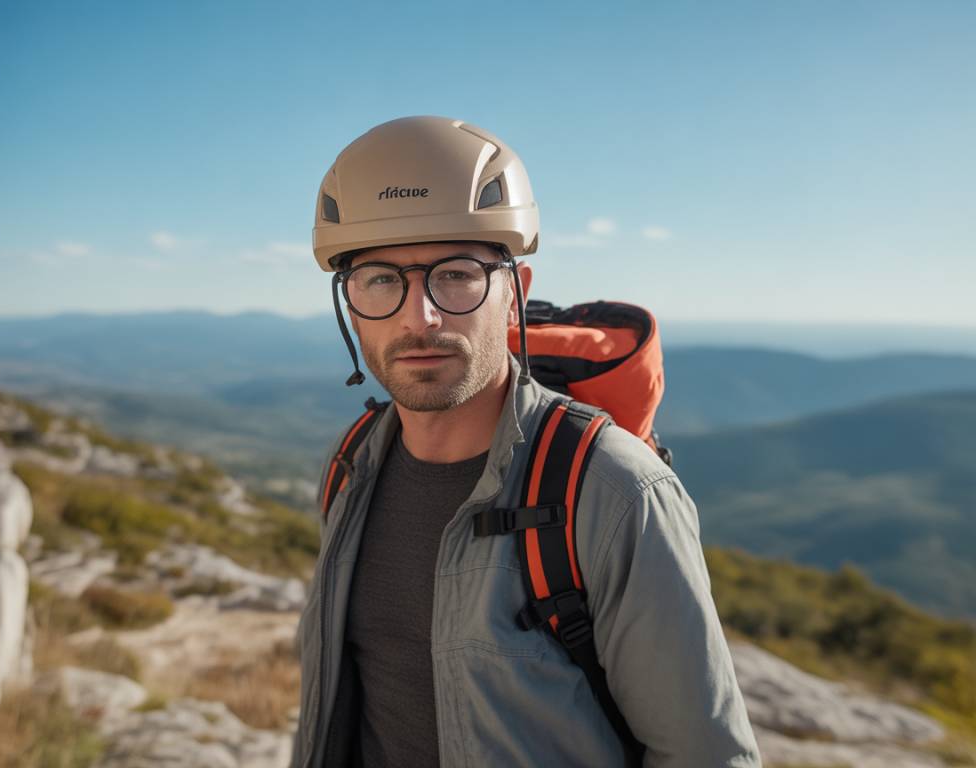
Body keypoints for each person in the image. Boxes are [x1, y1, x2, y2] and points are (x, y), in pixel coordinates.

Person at [291, 115, 760, 767]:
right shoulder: (352, 465)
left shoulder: (615, 492)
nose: (418, 316)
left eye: (455, 274)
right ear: (348, 300)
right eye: (380, 279)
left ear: (515, 293)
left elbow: (705, 755)